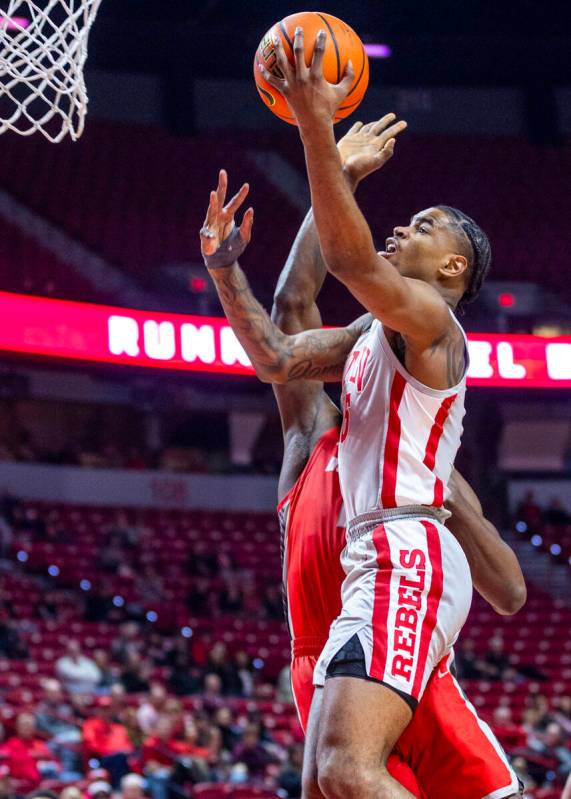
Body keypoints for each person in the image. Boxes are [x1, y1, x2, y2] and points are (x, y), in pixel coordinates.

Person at [200, 103, 525, 798]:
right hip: (370, 560)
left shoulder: (432, 318)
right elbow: (279, 353)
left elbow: (344, 260)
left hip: (403, 550)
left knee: (345, 771)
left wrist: (319, 133)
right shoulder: (368, 339)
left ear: (450, 264)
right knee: (325, 782)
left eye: (424, 224)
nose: (403, 225)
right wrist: (226, 272)